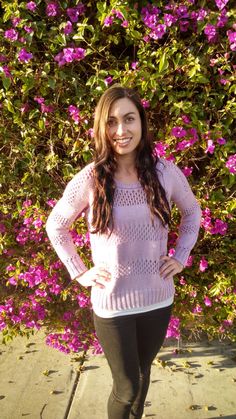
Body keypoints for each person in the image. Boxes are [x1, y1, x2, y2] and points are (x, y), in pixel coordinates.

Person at [46, 84, 202, 419]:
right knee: (127, 385)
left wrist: (180, 256)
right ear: (102, 128)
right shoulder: (90, 179)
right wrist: (79, 271)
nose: (122, 130)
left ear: (141, 123)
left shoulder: (165, 173)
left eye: (129, 119)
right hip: (112, 304)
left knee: (143, 377)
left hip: (158, 298)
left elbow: (192, 213)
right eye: (112, 121)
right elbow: (55, 225)